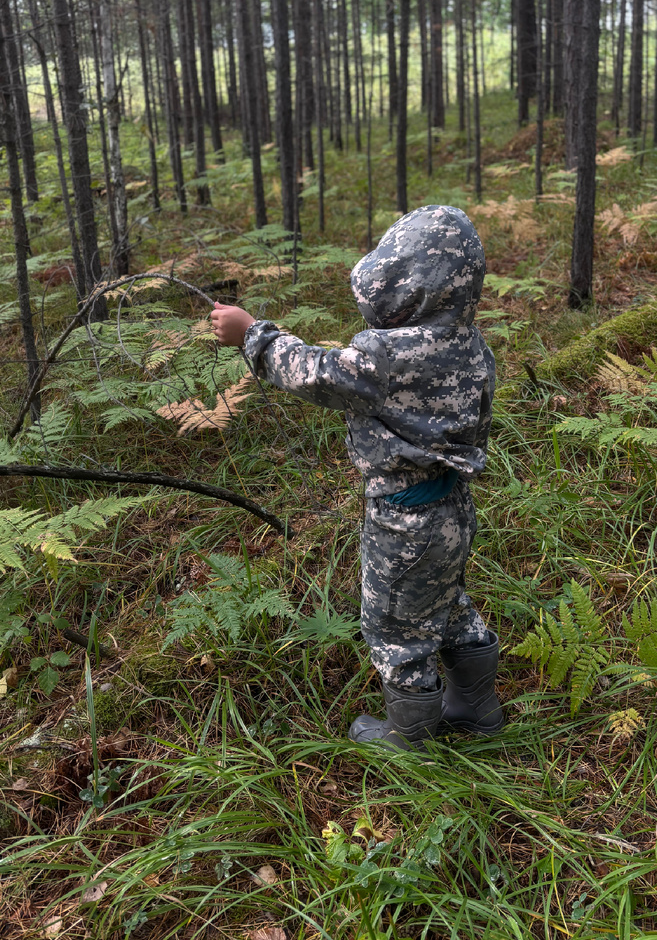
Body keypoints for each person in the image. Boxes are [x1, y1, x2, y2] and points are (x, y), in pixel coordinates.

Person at [210, 204, 503, 750]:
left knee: (395, 622)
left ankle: (409, 738)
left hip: (405, 519)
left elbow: (317, 373)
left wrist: (254, 335)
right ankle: (477, 706)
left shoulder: (389, 355)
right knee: (448, 600)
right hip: (453, 510)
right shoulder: (468, 343)